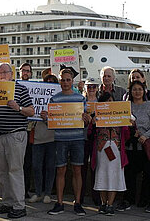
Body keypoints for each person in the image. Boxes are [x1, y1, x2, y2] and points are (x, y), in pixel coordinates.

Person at [0, 62, 34, 219]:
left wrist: (18, 108)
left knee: (15, 171)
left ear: (11, 73)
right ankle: (7, 202)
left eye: (5, 72)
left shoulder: (20, 89)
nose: (2, 75)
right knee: (1, 172)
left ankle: (19, 205)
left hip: (15, 135)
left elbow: (31, 111)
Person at [45, 68, 91, 216]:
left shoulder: (81, 99)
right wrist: (46, 118)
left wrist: (86, 120)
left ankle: (77, 203)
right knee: (61, 171)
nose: (65, 83)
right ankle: (59, 203)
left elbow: (85, 123)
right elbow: (50, 123)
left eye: (68, 80)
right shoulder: (54, 99)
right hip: (60, 139)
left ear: (72, 81)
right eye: (63, 80)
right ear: (60, 81)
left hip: (77, 139)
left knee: (77, 171)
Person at [116, 80, 150, 213]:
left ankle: (149, 201)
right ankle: (128, 199)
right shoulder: (126, 106)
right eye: (134, 89)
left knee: (149, 175)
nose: (137, 92)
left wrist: (145, 135)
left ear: (144, 91)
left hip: (146, 146)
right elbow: (121, 123)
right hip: (131, 146)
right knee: (129, 175)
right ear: (130, 91)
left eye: (140, 89)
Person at [90, 92, 130, 216]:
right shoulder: (96, 115)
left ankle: (110, 204)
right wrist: (92, 123)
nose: (109, 103)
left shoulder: (120, 115)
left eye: (111, 101)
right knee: (102, 175)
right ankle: (103, 202)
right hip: (101, 150)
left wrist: (127, 124)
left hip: (116, 150)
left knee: (114, 176)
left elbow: (127, 135)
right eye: (106, 101)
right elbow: (90, 134)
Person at [28, 74, 57, 204]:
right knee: (36, 167)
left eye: (52, 82)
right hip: (38, 138)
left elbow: (59, 120)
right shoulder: (36, 97)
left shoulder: (57, 99)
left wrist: (47, 119)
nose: (49, 83)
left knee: (50, 167)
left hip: (52, 138)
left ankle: (48, 193)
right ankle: (38, 192)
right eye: (47, 81)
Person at [80, 77, 101, 206]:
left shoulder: (101, 102)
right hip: (82, 137)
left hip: (96, 138)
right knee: (81, 168)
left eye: (94, 86)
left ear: (97, 88)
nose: (91, 89)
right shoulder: (80, 102)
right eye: (89, 87)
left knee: (95, 168)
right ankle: (80, 195)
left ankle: (96, 196)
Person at [19, 62, 33, 199]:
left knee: (27, 163)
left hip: (30, 130)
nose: (25, 73)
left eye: (28, 71)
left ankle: (26, 189)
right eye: (23, 70)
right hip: (17, 129)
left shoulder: (36, 86)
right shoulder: (14, 87)